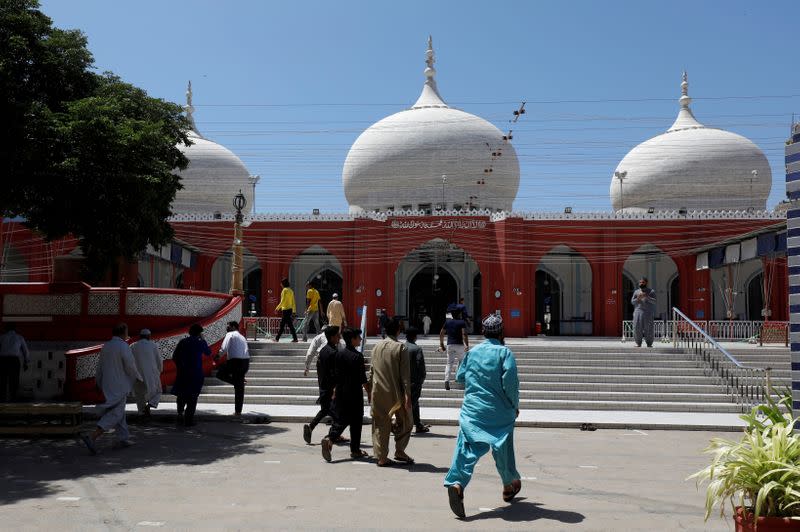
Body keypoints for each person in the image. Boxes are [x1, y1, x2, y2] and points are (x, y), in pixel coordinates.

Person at [443, 314, 521, 519]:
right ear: (501, 332)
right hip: (499, 412)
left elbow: (460, 377)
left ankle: (457, 484)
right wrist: (515, 405)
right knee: (502, 447)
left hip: (473, 411)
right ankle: (508, 483)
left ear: (483, 332)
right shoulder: (505, 353)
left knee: (467, 447)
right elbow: (510, 384)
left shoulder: (473, 352)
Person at [80, 323, 142, 454]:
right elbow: (130, 365)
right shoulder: (123, 346)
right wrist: (138, 377)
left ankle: (123, 438)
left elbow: (100, 367)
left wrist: (98, 382)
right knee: (117, 413)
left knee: (120, 412)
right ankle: (93, 436)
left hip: (108, 384)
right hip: (120, 385)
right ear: (122, 333)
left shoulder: (106, 346)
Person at [321, 327, 371, 462]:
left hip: (342, 392)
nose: (360, 339)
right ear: (352, 339)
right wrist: (369, 393)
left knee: (342, 419)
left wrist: (335, 391)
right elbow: (363, 379)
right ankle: (355, 450)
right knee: (356, 422)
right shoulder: (358, 356)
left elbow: (336, 376)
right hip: (354, 393)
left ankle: (330, 439)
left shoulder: (339, 354)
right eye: (358, 337)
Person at [369, 317, 414, 467]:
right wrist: (408, 395)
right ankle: (400, 450)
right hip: (396, 394)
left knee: (380, 425)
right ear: (398, 330)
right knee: (407, 422)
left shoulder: (375, 347)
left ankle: (381, 457)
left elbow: (371, 372)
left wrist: (369, 391)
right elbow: (405, 376)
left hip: (378, 391)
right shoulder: (400, 348)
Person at [303, 326, 340, 444]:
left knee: (325, 410)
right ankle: (331, 437)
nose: (339, 337)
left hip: (323, 385)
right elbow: (334, 373)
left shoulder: (323, 351)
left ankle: (311, 427)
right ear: (332, 337)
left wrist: (307, 367)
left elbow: (310, 354)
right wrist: (336, 388)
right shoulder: (333, 352)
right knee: (336, 413)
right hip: (331, 388)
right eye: (338, 335)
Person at [171, 323, 211, 427]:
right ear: (199, 333)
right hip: (196, 373)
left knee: (181, 394)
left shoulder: (183, 342)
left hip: (183, 373)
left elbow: (174, 356)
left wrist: (180, 367)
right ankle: (188, 420)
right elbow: (208, 352)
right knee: (193, 397)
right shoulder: (200, 342)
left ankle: (180, 413)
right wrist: (203, 339)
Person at [216, 321, 250, 417]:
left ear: (233, 327)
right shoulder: (242, 337)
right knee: (239, 389)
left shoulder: (230, 334)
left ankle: (238, 382)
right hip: (245, 362)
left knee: (220, 374)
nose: (227, 327)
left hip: (235, 362)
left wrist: (218, 356)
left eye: (228, 326)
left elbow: (224, 348)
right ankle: (238, 411)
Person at [131, 328, 163, 417]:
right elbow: (159, 360)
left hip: (137, 374)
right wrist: (159, 371)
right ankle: (149, 405)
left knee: (140, 395)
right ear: (149, 336)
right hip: (151, 374)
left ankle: (142, 413)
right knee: (157, 391)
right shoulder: (153, 345)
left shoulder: (133, 346)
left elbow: (129, 361)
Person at [405, 327, 429, 434]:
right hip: (414, 381)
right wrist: (422, 378)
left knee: (413, 403)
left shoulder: (401, 347)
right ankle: (400, 423)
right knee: (412, 403)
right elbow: (420, 365)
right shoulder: (417, 349)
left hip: (402, 381)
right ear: (415, 337)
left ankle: (418, 424)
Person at [440, 308, 469, 390]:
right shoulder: (461, 322)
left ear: (452, 315)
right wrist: (467, 345)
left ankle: (446, 380)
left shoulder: (447, 322)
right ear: (459, 314)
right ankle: (458, 377)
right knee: (461, 361)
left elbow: (441, 333)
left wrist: (441, 344)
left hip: (450, 345)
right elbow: (464, 334)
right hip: (459, 345)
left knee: (449, 363)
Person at [0, 323, 29, 402]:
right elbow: (25, 351)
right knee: (14, 379)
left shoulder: (1, 337)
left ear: (6, 329)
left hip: (3, 360)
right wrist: (26, 362)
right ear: (15, 329)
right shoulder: (19, 337)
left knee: (2, 380)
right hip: (14, 360)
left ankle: (2, 397)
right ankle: (13, 397)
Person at [632, 277, 657, 348]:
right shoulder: (636, 292)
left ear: (646, 283)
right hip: (638, 312)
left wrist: (647, 297)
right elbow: (632, 302)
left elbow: (654, 301)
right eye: (640, 282)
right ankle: (638, 343)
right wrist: (638, 298)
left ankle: (649, 343)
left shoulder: (651, 291)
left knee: (648, 328)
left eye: (642, 282)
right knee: (637, 327)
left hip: (648, 312)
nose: (641, 284)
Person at [274, 278, 298, 343]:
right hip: (290, 310)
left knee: (282, 325)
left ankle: (277, 338)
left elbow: (283, 301)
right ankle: (295, 338)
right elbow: (293, 302)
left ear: (283, 284)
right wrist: (294, 311)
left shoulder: (284, 290)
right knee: (290, 325)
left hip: (285, 310)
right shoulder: (291, 291)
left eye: (281, 283)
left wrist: (277, 308)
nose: (280, 284)